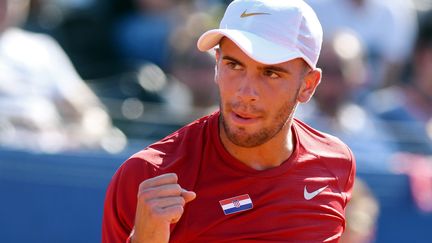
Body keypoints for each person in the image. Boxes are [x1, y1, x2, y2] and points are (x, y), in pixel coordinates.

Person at [102, 0, 356, 242]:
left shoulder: (336, 164)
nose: (245, 92)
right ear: (216, 65)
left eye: (270, 73)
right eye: (234, 66)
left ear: (308, 85)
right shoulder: (146, 175)